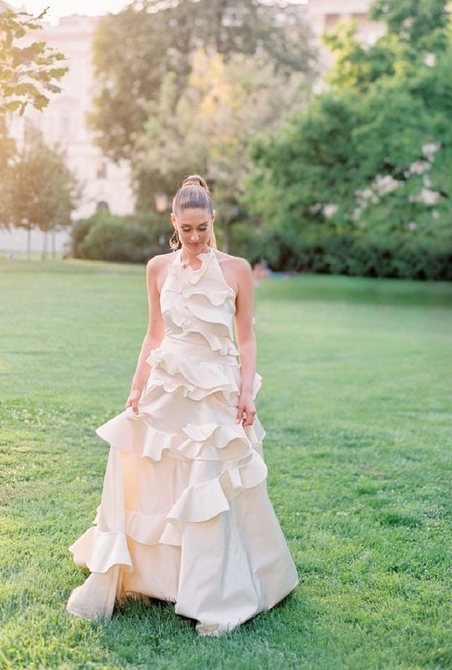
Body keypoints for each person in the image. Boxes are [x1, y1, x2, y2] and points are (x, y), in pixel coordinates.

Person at [67, 175, 298, 636]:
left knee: (207, 477)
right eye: (186, 229)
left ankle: (212, 591)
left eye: (202, 228)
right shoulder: (156, 268)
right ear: (173, 222)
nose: (194, 238)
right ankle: (153, 577)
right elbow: (154, 333)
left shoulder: (236, 269)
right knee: (146, 468)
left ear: (213, 221)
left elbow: (246, 336)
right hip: (168, 383)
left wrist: (245, 390)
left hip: (215, 388)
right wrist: (136, 388)